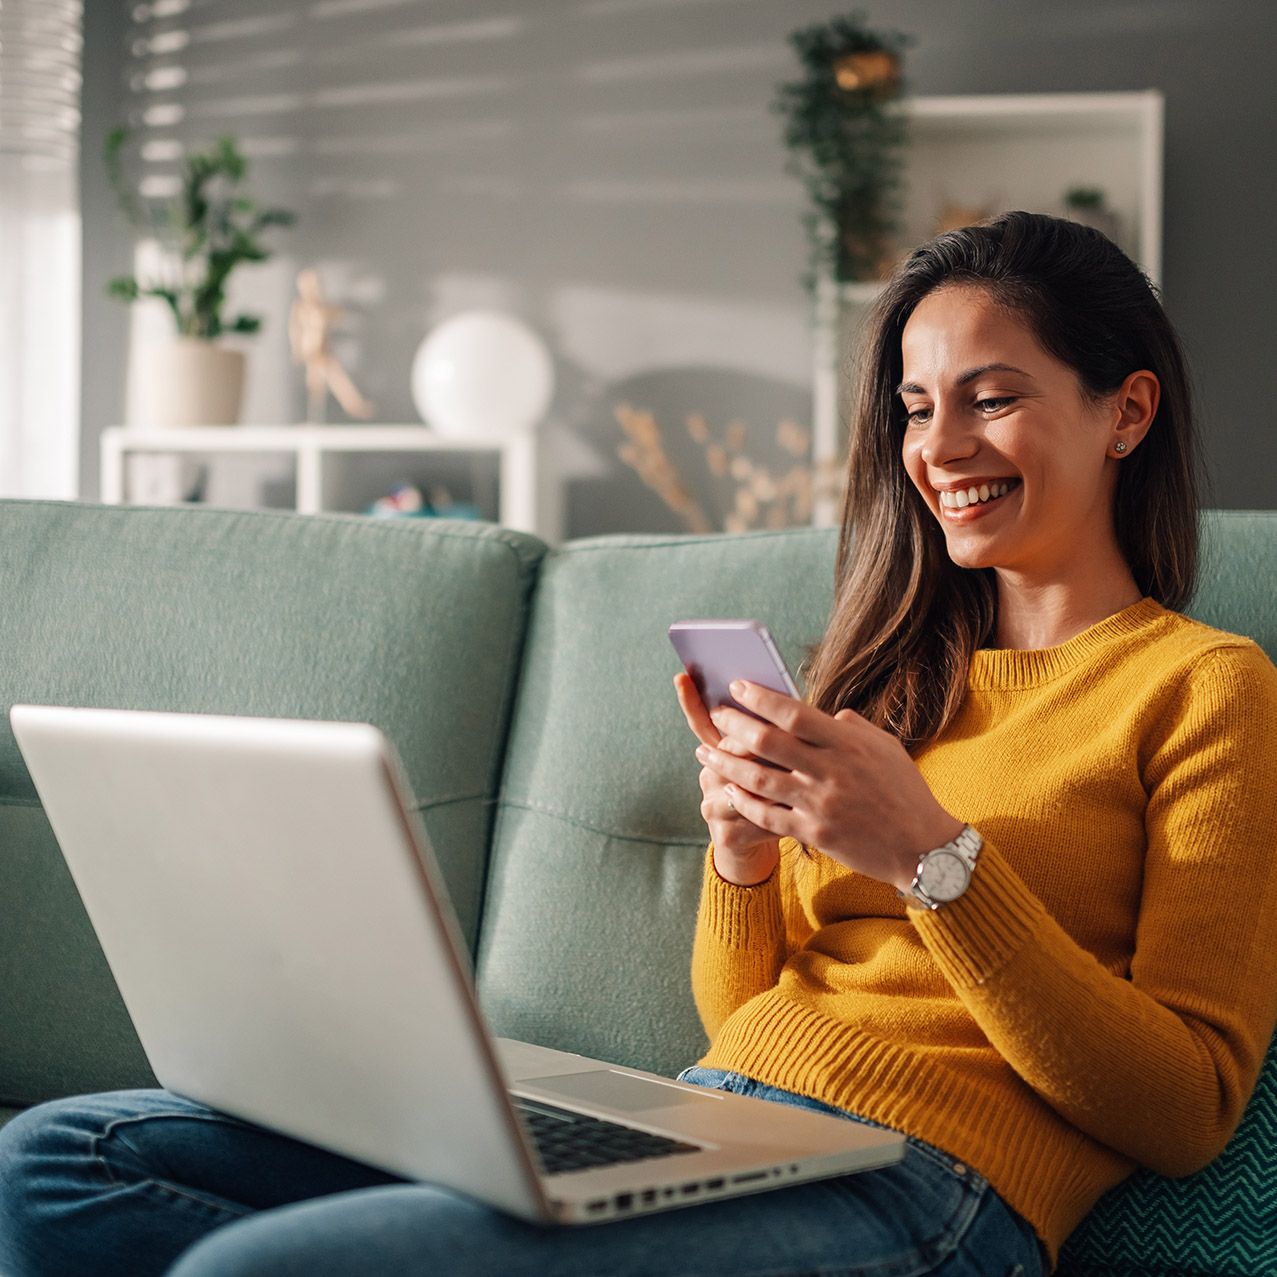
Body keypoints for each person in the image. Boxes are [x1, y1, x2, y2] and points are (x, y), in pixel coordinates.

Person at [2, 210, 1275, 1276]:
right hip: (721, 1117)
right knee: (62, 1160)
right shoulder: (884, 679)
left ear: (1125, 411)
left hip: (930, 1189)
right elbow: (740, 1018)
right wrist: (741, 860)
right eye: (915, 406)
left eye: (990, 400)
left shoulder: (1201, 688)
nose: (937, 449)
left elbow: (1181, 1108)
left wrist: (934, 858)